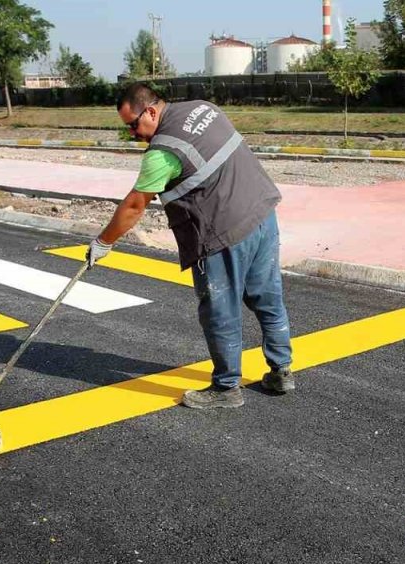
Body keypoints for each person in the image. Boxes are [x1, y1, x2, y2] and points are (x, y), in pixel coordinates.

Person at [87, 83, 293, 409]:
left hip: (222, 232)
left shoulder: (163, 152)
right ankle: (281, 370)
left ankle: (226, 389)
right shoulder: (203, 107)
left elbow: (134, 206)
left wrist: (103, 242)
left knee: (219, 312)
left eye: (133, 125)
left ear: (151, 111)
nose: (132, 134)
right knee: (267, 297)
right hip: (262, 215)